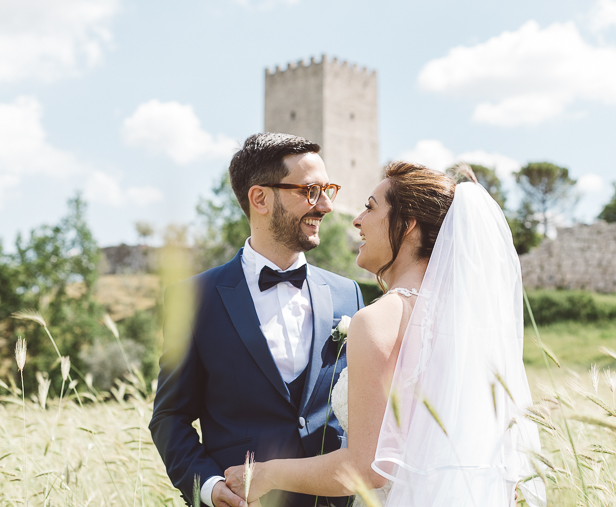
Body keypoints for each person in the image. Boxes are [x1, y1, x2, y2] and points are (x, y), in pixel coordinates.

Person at [225, 161, 546, 507]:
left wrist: (266, 474)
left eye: (370, 207)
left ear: (406, 225)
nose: (357, 220)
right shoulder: (471, 323)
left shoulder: (377, 321)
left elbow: (368, 470)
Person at [149, 132, 364, 507]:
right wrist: (207, 485)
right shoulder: (194, 299)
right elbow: (170, 416)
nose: (326, 205)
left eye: (328, 189)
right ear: (260, 198)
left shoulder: (349, 295)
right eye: (310, 191)